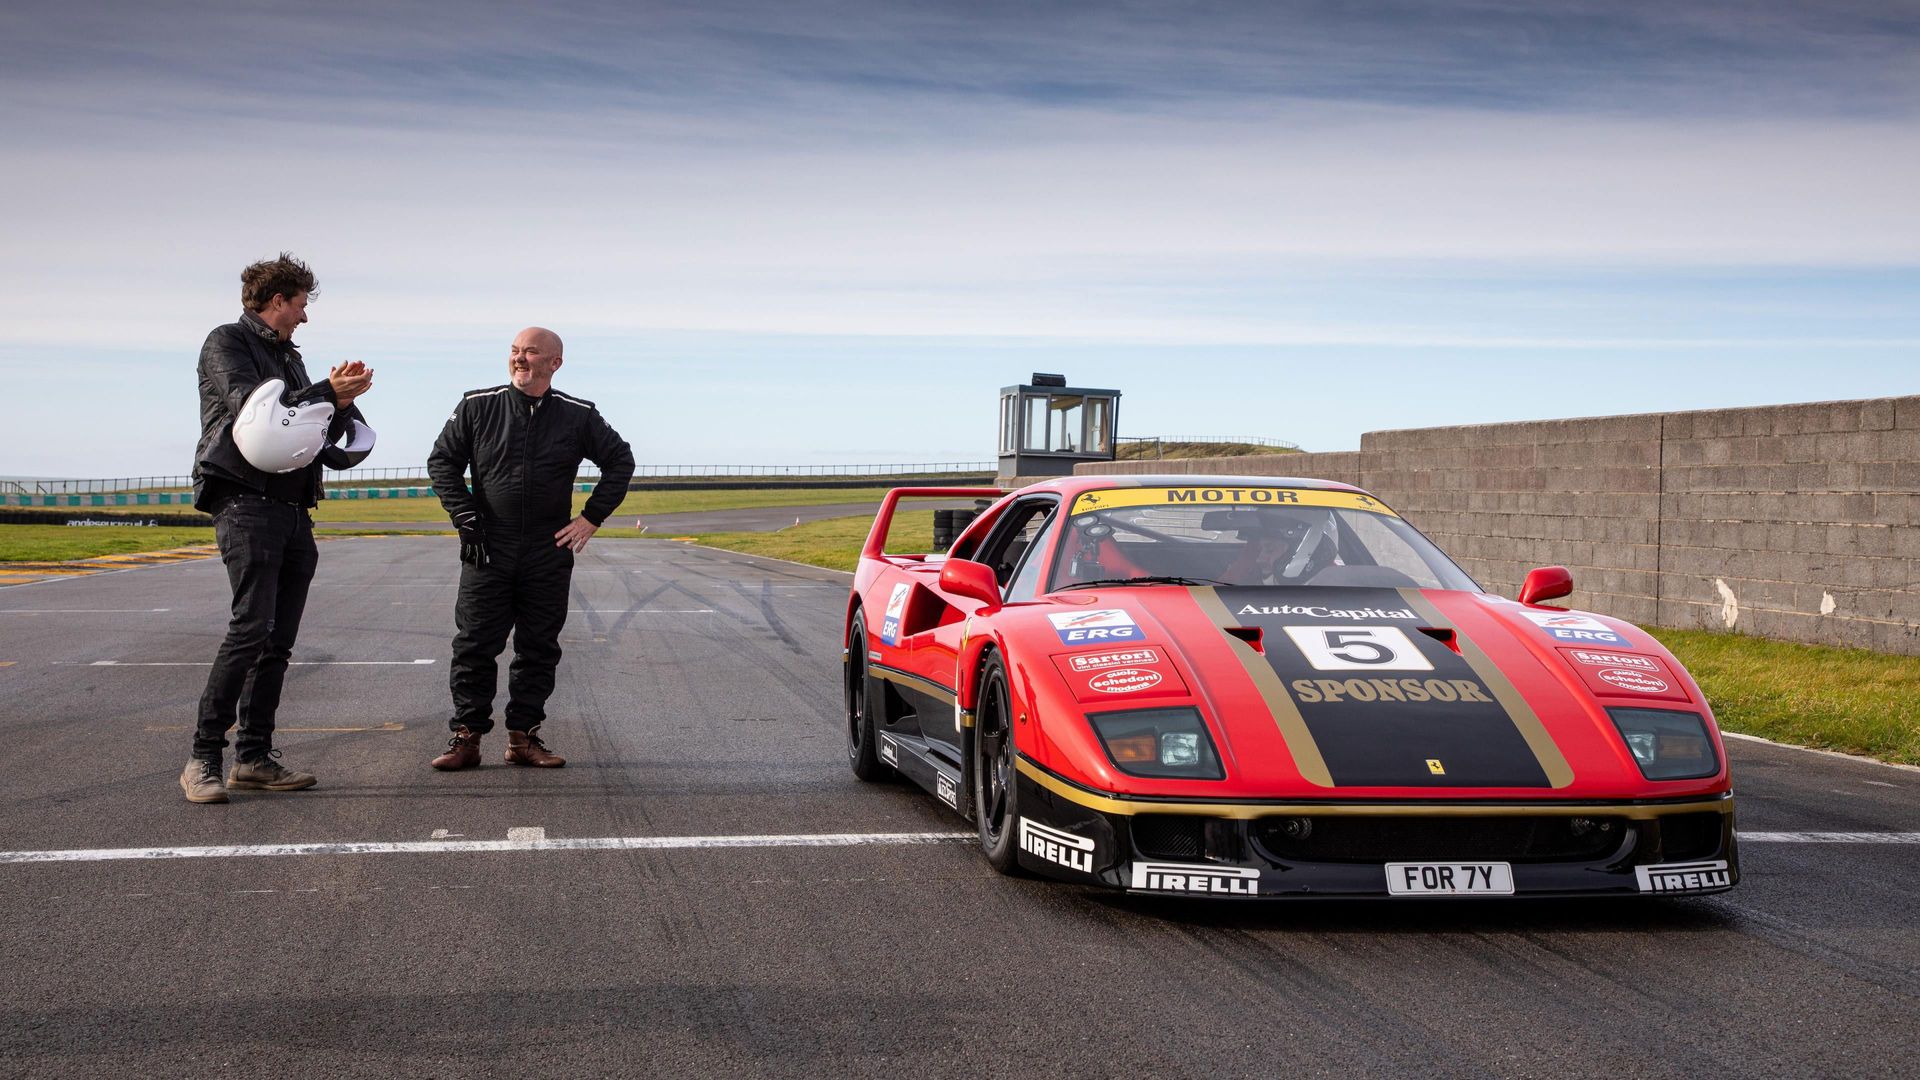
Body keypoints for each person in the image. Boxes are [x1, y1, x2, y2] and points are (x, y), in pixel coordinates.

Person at [183, 253, 374, 804]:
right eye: (300, 305)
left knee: (277, 642)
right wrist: (326, 392)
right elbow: (253, 411)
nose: (304, 317)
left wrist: (345, 409)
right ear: (276, 301)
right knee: (250, 629)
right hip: (245, 502)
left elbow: (316, 433)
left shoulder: (291, 360)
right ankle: (203, 759)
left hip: (294, 508)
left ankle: (254, 758)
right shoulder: (227, 343)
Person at [426, 327, 635, 770]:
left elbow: (620, 460)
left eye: (531, 352)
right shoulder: (477, 405)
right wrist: (465, 518)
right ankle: (466, 737)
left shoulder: (578, 414)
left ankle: (524, 737)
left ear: (554, 363)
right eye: (515, 351)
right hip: (488, 545)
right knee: (475, 644)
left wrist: (591, 517)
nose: (520, 359)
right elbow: (442, 461)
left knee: (538, 646)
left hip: (548, 548)